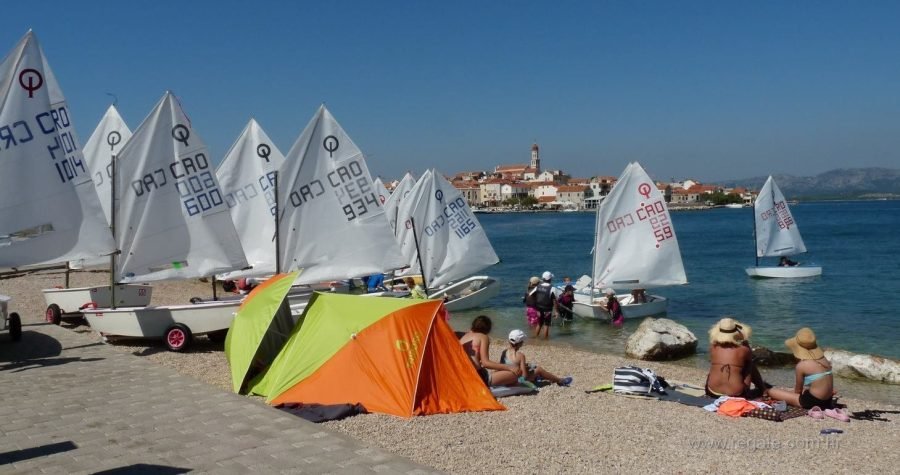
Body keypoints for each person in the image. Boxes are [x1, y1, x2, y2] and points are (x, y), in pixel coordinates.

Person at [767, 328, 838, 411]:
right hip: (827, 400)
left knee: (770, 391)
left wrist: (794, 398)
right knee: (805, 391)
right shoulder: (824, 360)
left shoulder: (802, 365)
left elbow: (798, 390)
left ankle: (766, 390)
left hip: (812, 402)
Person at [705, 317, 768, 398]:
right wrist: (746, 344)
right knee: (750, 364)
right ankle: (762, 388)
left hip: (712, 392)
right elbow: (748, 368)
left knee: (716, 365)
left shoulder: (713, 347)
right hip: (737, 394)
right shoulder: (744, 349)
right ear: (736, 333)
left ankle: (761, 388)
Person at [458, 316, 519, 387]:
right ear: (488, 329)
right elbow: (486, 363)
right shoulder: (483, 337)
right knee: (515, 374)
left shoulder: (464, 336)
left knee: (499, 372)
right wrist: (509, 367)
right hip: (477, 376)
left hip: (462, 376)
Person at [499, 329, 572, 386]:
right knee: (538, 369)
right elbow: (524, 376)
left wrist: (525, 366)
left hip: (506, 378)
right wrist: (518, 382)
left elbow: (502, 366)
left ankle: (540, 377)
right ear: (520, 343)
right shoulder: (520, 355)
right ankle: (560, 380)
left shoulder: (504, 352)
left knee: (529, 366)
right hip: (515, 381)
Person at [528, 271, 558, 339]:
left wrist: (535, 305)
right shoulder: (552, 288)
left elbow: (530, 295)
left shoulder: (538, 286)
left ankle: (535, 337)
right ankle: (545, 339)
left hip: (539, 308)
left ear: (543, 278)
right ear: (550, 279)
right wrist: (556, 311)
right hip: (547, 309)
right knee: (546, 325)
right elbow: (554, 301)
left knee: (539, 323)